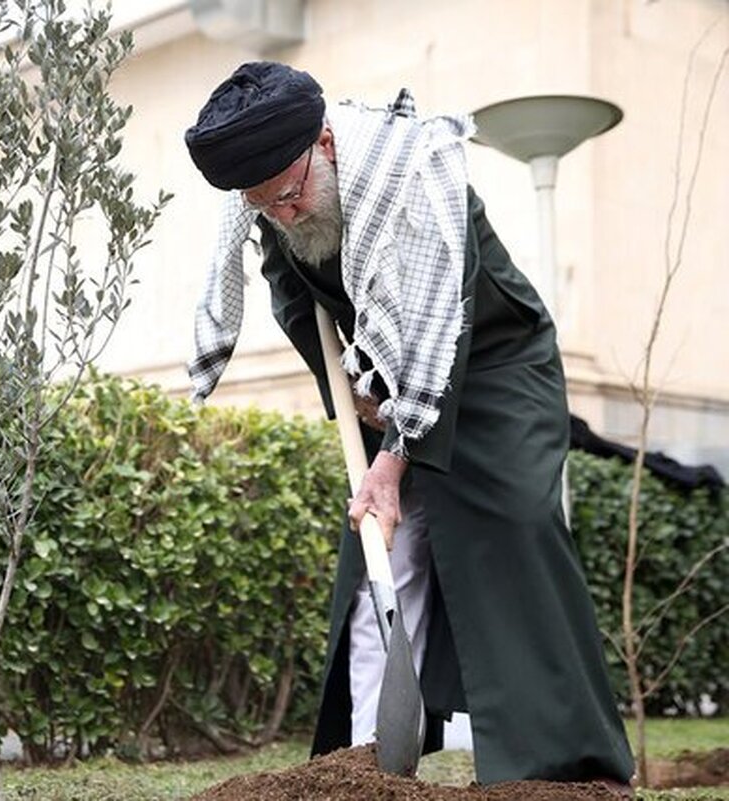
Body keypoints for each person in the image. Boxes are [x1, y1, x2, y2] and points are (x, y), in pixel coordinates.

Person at [183, 61, 635, 790]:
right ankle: (369, 765)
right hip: (384, 373)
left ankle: (558, 766)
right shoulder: (273, 200)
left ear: (324, 142)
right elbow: (298, 304)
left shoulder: (419, 172)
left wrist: (394, 454)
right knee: (384, 560)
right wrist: (360, 403)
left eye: (291, 196)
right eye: (265, 206)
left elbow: (440, 332)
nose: (286, 215)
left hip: (491, 363)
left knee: (512, 522)